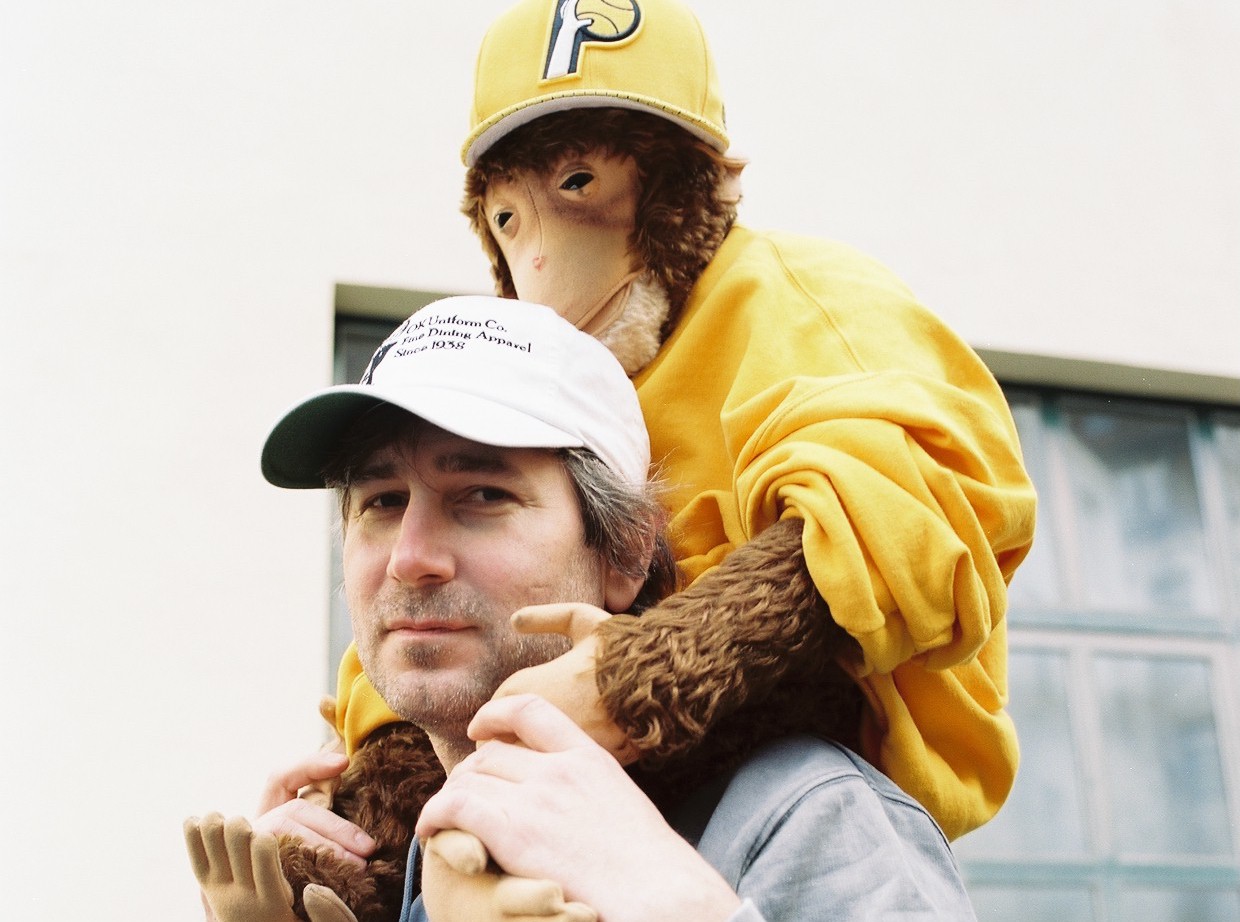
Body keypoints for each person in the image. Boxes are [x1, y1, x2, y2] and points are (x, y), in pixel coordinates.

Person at [331, 0, 1039, 845]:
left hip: (798, 760)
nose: (540, 265)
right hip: (572, 785)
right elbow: (426, 625)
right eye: (508, 219)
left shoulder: (804, 299)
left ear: (684, 188)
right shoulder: (533, 371)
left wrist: (635, 684)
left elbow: (908, 512)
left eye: (581, 185)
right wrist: (365, 809)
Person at [186, 296, 978, 922]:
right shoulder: (399, 862)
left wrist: (667, 900)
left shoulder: (807, 815)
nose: (410, 557)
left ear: (625, 554)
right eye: (382, 501)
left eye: (482, 495)